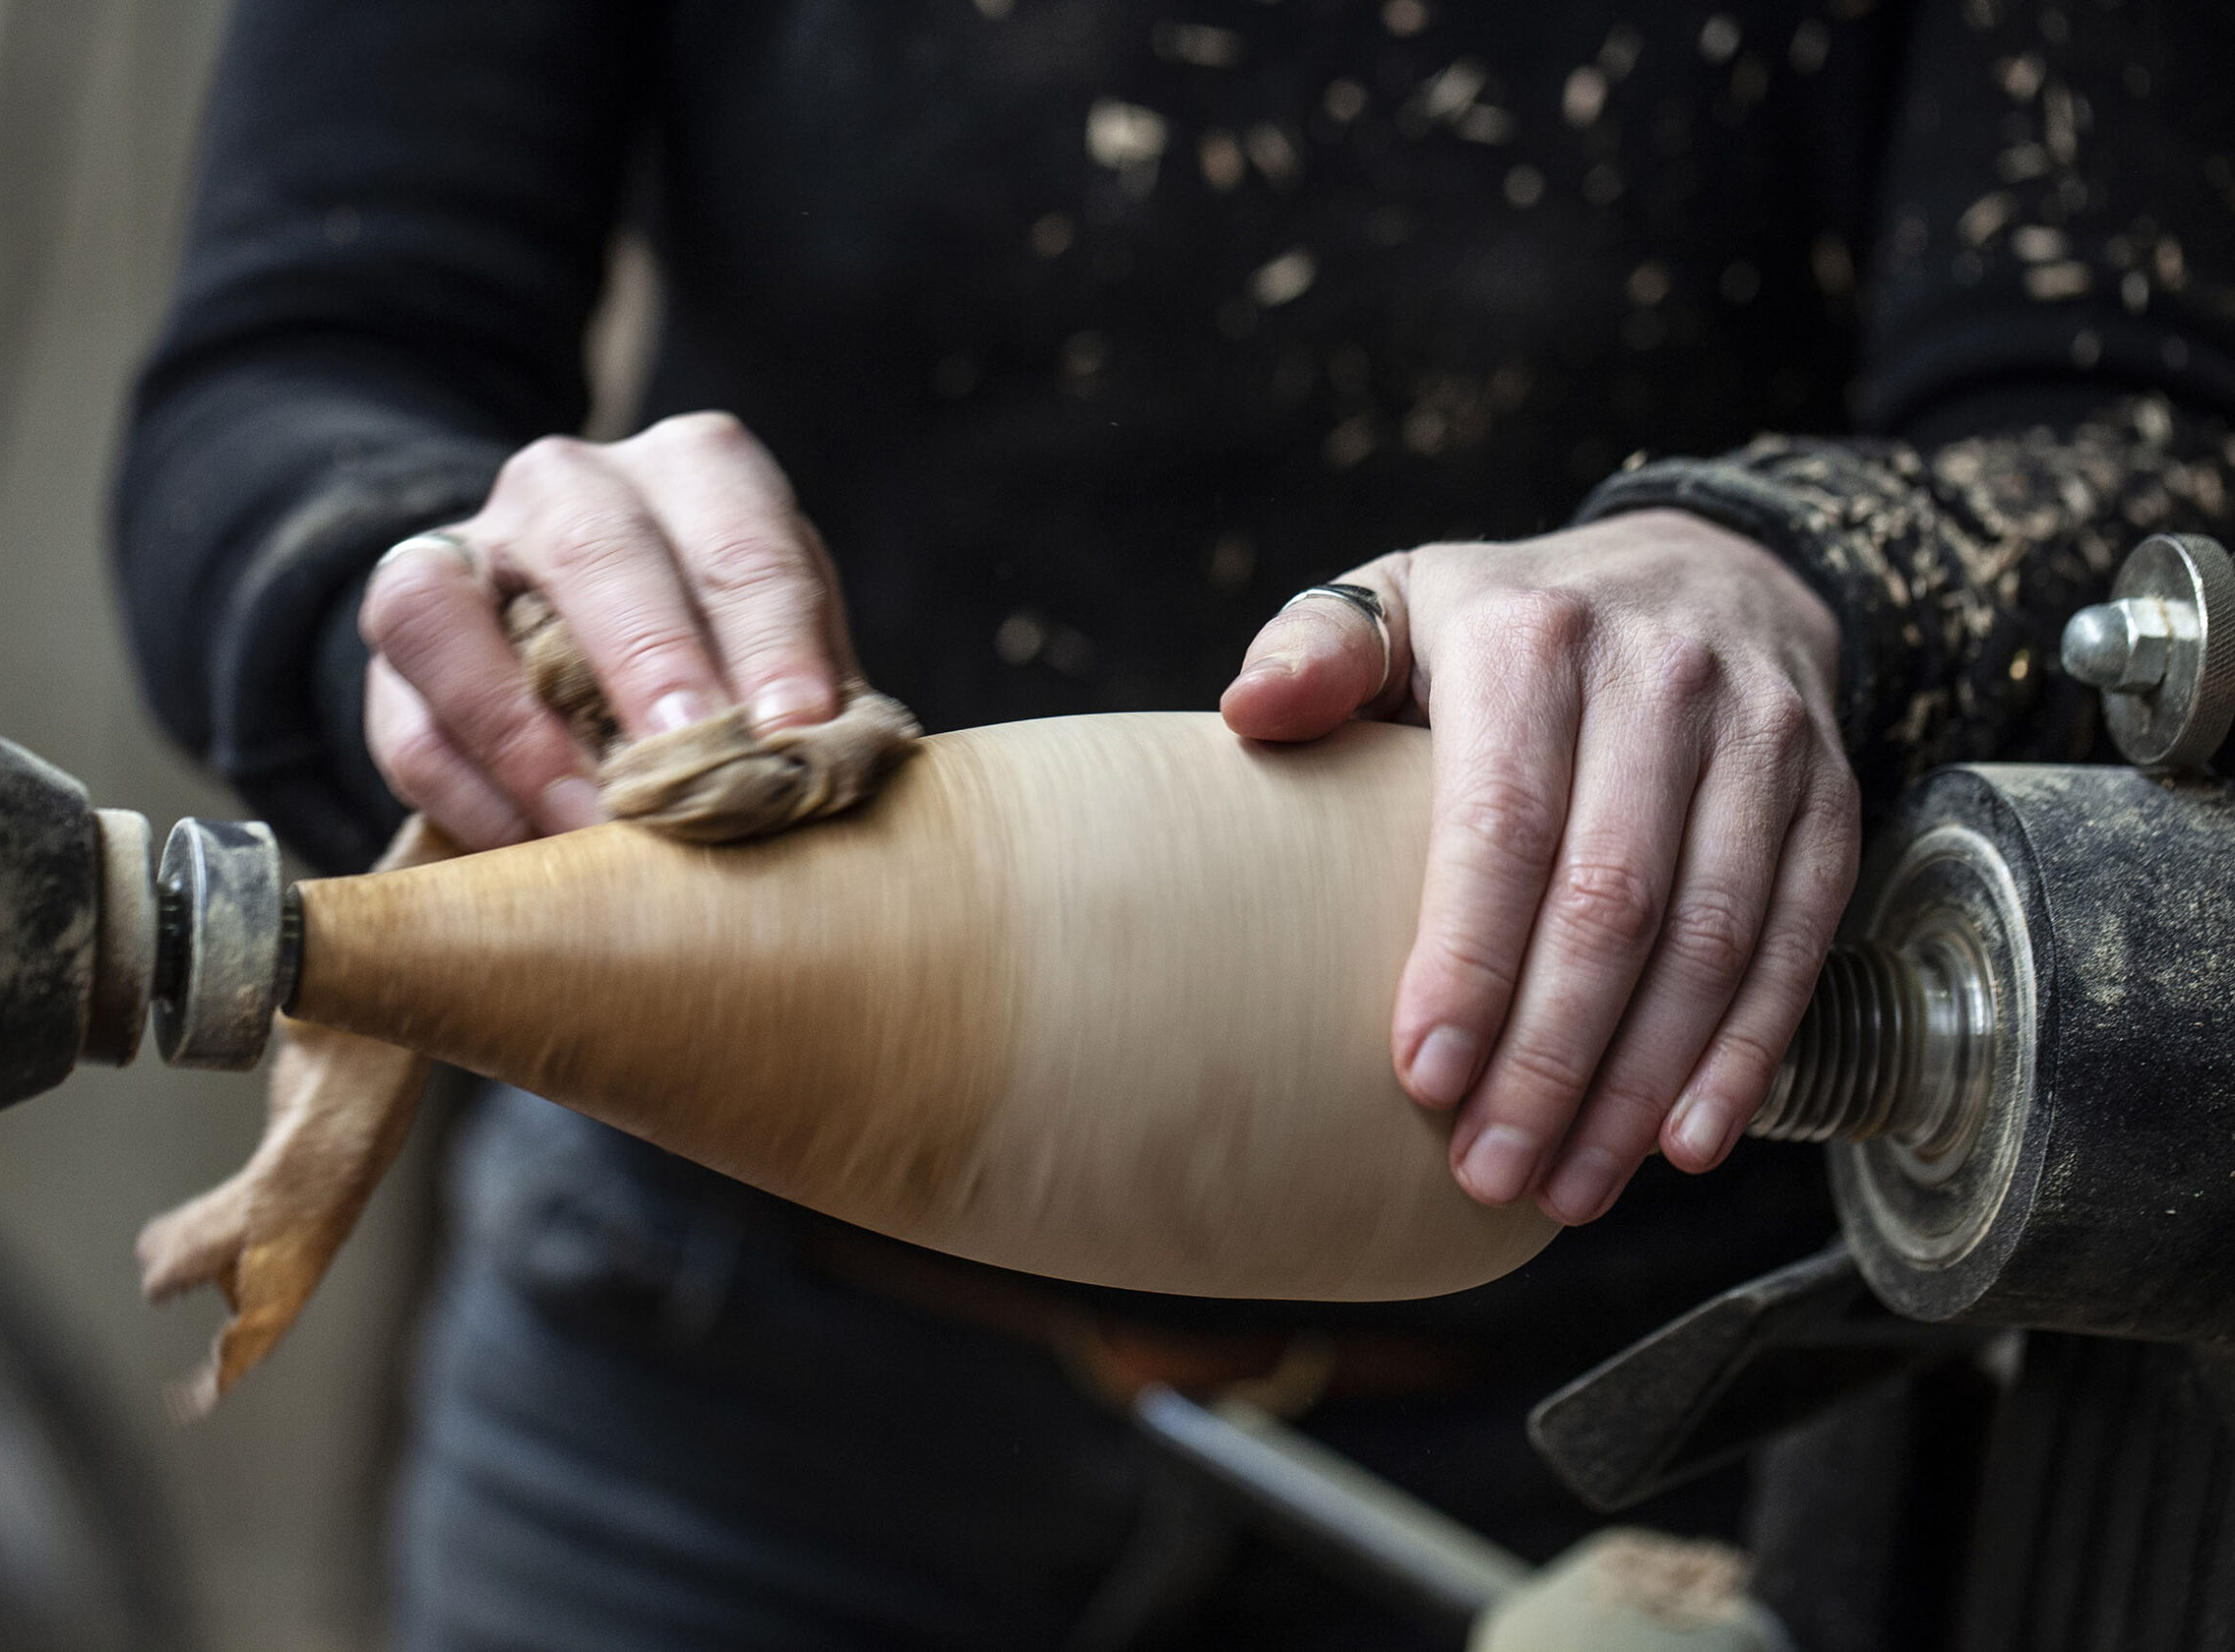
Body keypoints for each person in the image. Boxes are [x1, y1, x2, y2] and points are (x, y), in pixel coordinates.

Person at [115, 2, 2235, 1645]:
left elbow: (2137, 442)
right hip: (725, 1379)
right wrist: (414, 593)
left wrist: (1797, 572)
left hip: (1647, 1390)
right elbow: (303, 354)